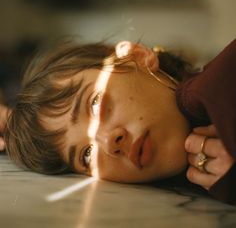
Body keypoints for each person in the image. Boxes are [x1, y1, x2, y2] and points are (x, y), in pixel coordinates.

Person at [3, 39, 236, 204]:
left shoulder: (220, 85)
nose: (108, 142)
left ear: (138, 57)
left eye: (94, 103)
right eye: (86, 154)